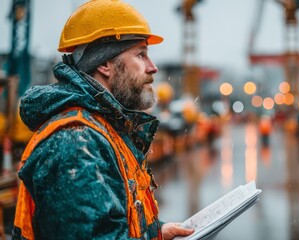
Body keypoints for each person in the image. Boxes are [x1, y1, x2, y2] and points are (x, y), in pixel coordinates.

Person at [12, 1, 194, 239]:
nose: (153, 67)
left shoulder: (102, 129)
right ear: (104, 64)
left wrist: (154, 233)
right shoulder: (76, 143)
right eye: (141, 54)